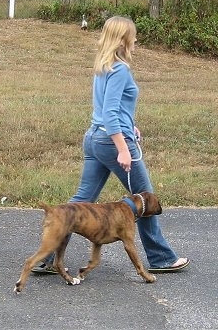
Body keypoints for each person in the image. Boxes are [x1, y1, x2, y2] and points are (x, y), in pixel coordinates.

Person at [32, 16, 189, 274]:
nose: (136, 40)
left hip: (94, 139)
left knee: (81, 200)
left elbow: (111, 109)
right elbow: (110, 114)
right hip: (111, 141)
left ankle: (47, 258)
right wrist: (123, 148)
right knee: (145, 200)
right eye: (133, 36)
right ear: (123, 39)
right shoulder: (121, 70)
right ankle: (161, 258)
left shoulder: (104, 66)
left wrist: (131, 124)